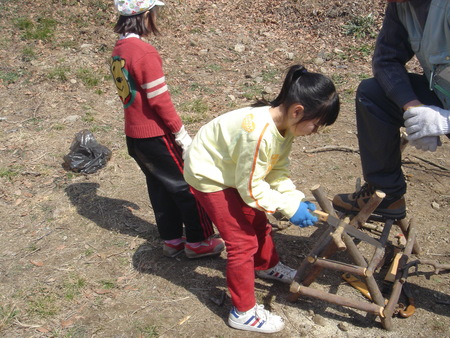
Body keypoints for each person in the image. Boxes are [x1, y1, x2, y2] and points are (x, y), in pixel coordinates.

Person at [183, 64, 340, 333]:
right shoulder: (257, 133)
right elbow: (253, 190)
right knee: (241, 242)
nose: (315, 131)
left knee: (256, 221)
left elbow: (276, 170)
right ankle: (242, 312)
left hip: (232, 171)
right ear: (298, 111)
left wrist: (294, 198)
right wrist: (289, 208)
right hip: (209, 174)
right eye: (316, 125)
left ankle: (266, 265)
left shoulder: (284, 126)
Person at [110, 0, 224, 258]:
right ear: (146, 15)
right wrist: (180, 133)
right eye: (155, 13)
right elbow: (159, 100)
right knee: (188, 184)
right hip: (155, 134)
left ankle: (172, 239)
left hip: (135, 135)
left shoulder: (120, 49)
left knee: (160, 186)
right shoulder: (143, 52)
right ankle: (199, 241)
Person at [333, 0, 450, 220]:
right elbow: (386, 60)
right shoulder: (402, 6)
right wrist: (415, 109)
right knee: (373, 94)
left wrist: (444, 121)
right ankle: (386, 196)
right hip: (442, 95)